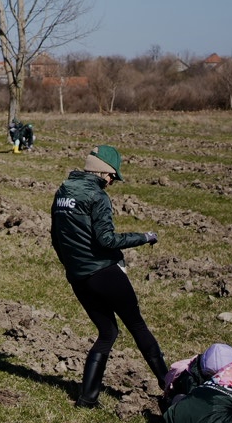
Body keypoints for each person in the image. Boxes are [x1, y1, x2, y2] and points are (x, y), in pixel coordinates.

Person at [50, 144, 165, 407]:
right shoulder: (97, 196)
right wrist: (144, 237)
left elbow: (56, 237)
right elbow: (107, 240)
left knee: (107, 332)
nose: (112, 182)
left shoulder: (63, 191)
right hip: (104, 273)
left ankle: (87, 398)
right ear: (102, 172)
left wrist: (72, 266)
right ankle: (169, 385)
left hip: (79, 277)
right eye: (112, 176)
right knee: (137, 326)